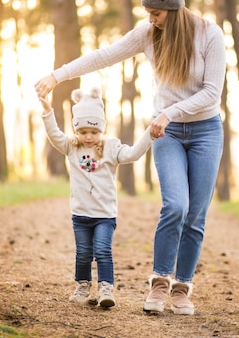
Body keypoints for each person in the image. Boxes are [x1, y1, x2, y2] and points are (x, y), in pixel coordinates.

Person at [35, 0, 226, 315]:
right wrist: (56, 75)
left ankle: (182, 287)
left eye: (156, 13)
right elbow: (103, 56)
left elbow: (212, 93)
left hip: (205, 131)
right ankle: (159, 283)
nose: (151, 20)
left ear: (173, 7)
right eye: (148, 13)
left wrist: (171, 111)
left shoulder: (209, 34)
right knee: (175, 206)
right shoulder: (148, 34)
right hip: (164, 131)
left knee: (195, 215)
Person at [40, 87, 154, 308]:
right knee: (83, 253)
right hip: (80, 214)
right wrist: (48, 112)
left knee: (102, 251)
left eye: (93, 131)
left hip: (104, 215)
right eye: (82, 132)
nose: (88, 137)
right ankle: (82, 286)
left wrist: (150, 133)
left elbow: (132, 154)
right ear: (76, 131)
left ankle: (105, 289)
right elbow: (54, 135)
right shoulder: (72, 147)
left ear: (101, 128)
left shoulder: (111, 147)